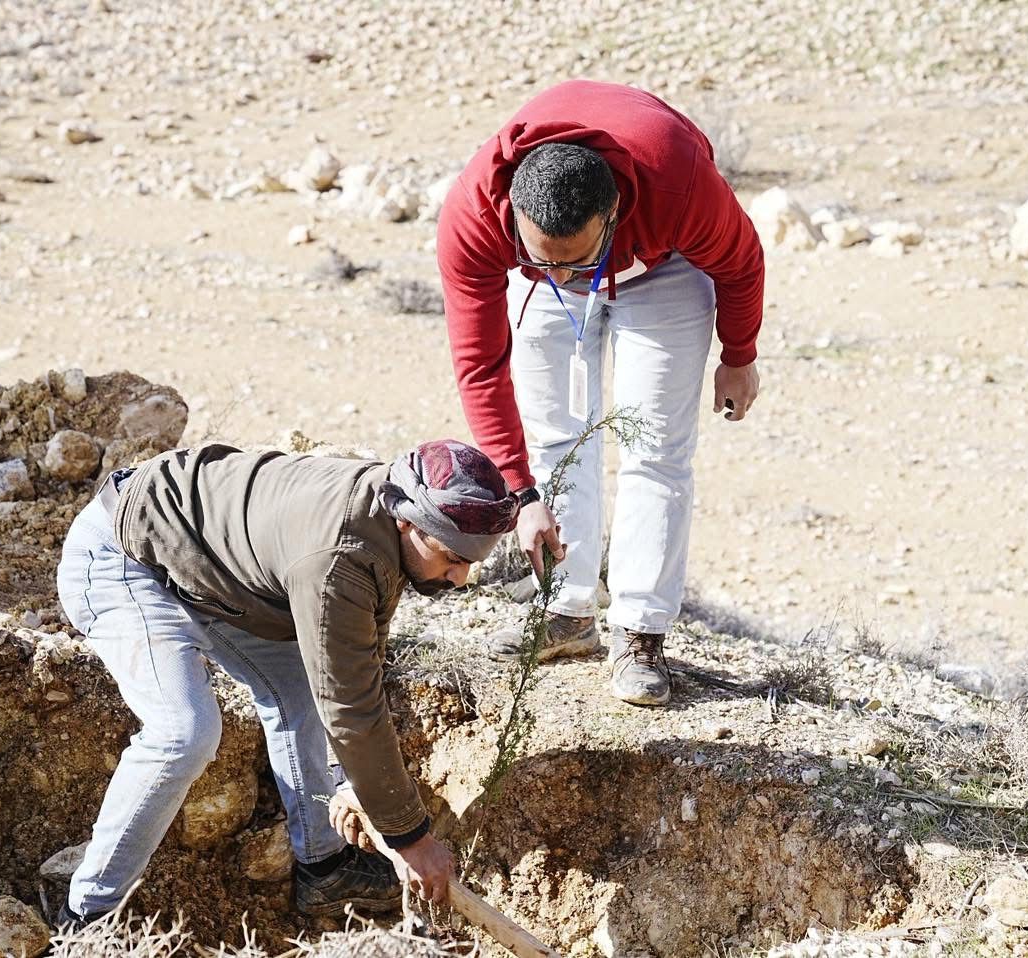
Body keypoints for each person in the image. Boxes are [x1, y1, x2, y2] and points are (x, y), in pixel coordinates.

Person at [54, 439, 519, 925]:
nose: (461, 577)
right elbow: (351, 708)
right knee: (184, 733)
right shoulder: (340, 553)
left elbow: (357, 666)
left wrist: (364, 788)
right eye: (451, 557)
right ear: (407, 519)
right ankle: (87, 918)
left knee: (301, 697)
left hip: (220, 576)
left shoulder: (390, 522)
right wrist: (411, 837)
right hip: (128, 555)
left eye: (471, 562)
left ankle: (325, 868)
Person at [437, 80, 765, 708]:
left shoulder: (679, 184)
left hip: (661, 266)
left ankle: (640, 632)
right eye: (543, 260)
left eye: (574, 261)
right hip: (562, 261)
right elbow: (481, 367)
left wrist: (739, 355)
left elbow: (741, 262)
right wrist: (522, 493)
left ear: (613, 211)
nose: (562, 277)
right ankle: (566, 613)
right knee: (555, 434)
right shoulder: (476, 215)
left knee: (656, 447)